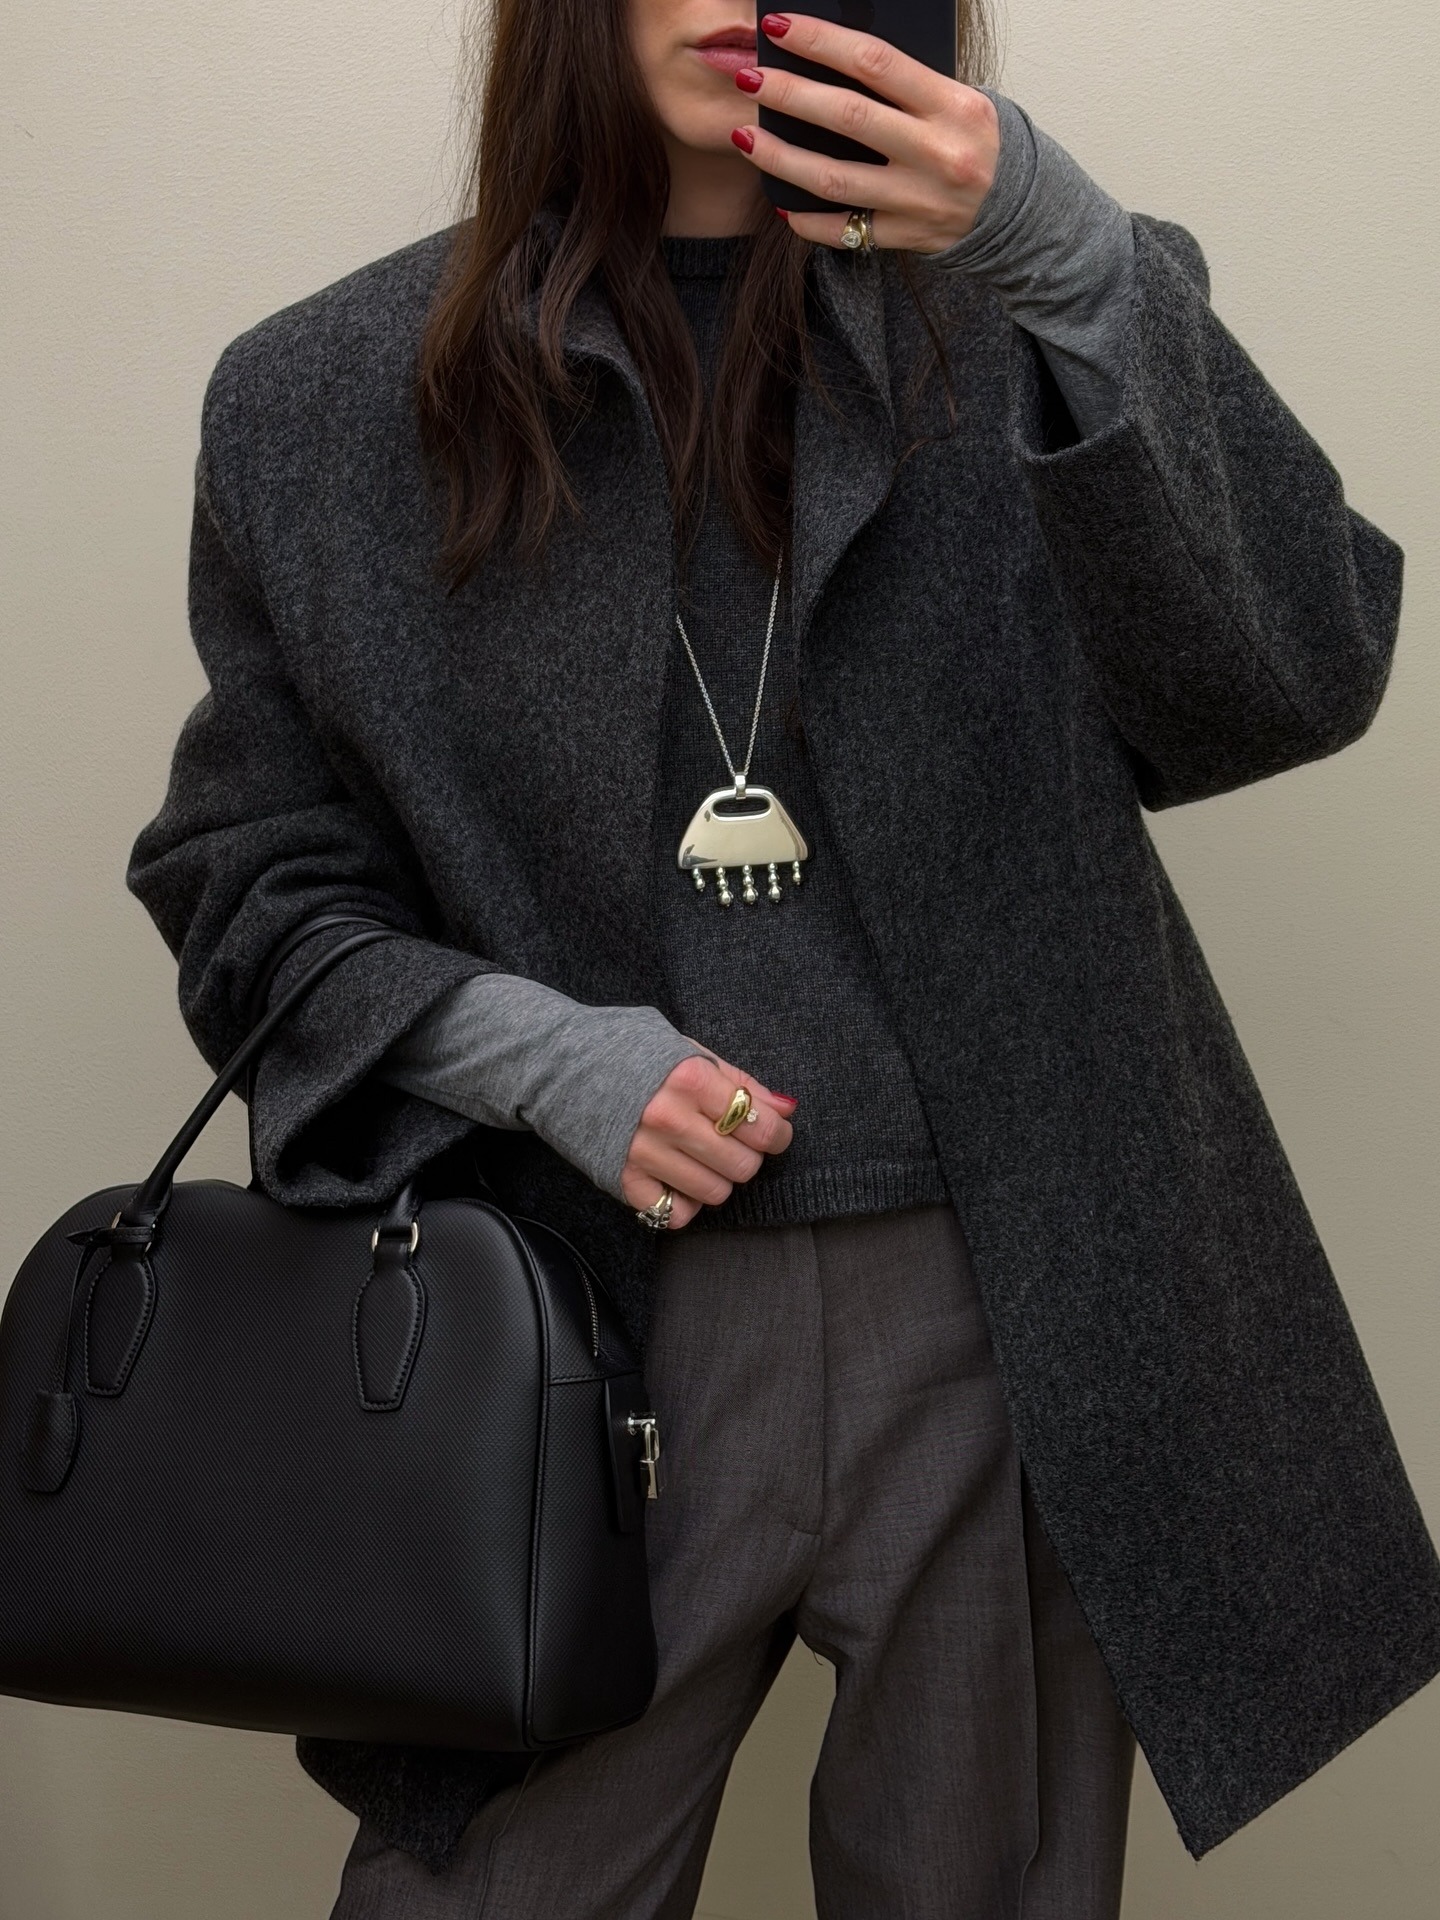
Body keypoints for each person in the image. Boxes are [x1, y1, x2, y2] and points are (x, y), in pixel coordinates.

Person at [127, 3, 1440, 1916]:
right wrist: (535, 1054)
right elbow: (246, 876)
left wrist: (1065, 252)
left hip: (1006, 1310)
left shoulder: (1037, 313)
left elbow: (1294, 674)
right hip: (566, 1315)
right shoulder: (321, 399)